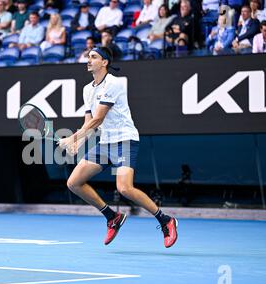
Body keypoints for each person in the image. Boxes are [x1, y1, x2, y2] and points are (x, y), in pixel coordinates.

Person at [58, 46, 178, 248]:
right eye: (88, 57)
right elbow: (88, 123)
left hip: (124, 140)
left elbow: (97, 119)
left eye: (93, 57)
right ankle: (112, 216)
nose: (89, 60)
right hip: (105, 142)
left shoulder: (114, 84)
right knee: (74, 182)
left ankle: (165, 220)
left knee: (124, 188)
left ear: (104, 62)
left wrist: (71, 138)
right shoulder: (88, 89)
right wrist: (77, 142)